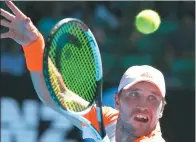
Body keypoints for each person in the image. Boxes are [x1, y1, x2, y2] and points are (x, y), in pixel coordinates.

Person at [0, 1, 166, 142]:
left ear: (161, 110)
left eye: (152, 98)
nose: (142, 105)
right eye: (134, 94)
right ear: (117, 101)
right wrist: (34, 46)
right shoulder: (107, 120)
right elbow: (56, 96)